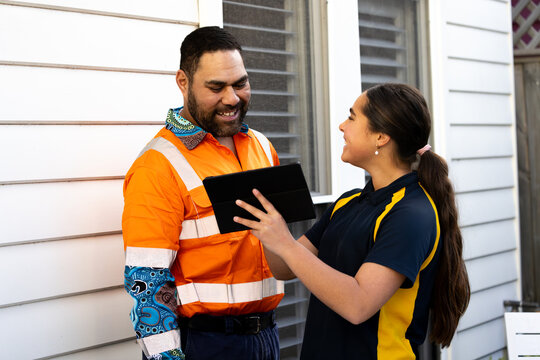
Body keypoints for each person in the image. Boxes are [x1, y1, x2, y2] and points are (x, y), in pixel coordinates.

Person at [234, 83, 471, 359]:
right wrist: (265, 225)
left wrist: (285, 243)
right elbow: (284, 268)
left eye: (352, 117)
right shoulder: (349, 203)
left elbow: (358, 304)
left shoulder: (412, 213)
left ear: (381, 137)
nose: (341, 126)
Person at [122, 26, 283, 360]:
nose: (232, 98)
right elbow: (147, 282)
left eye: (240, 83)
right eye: (216, 87)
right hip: (206, 344)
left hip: (267, 336)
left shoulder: (262, 147)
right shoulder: (158, 165)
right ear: (183, 82)